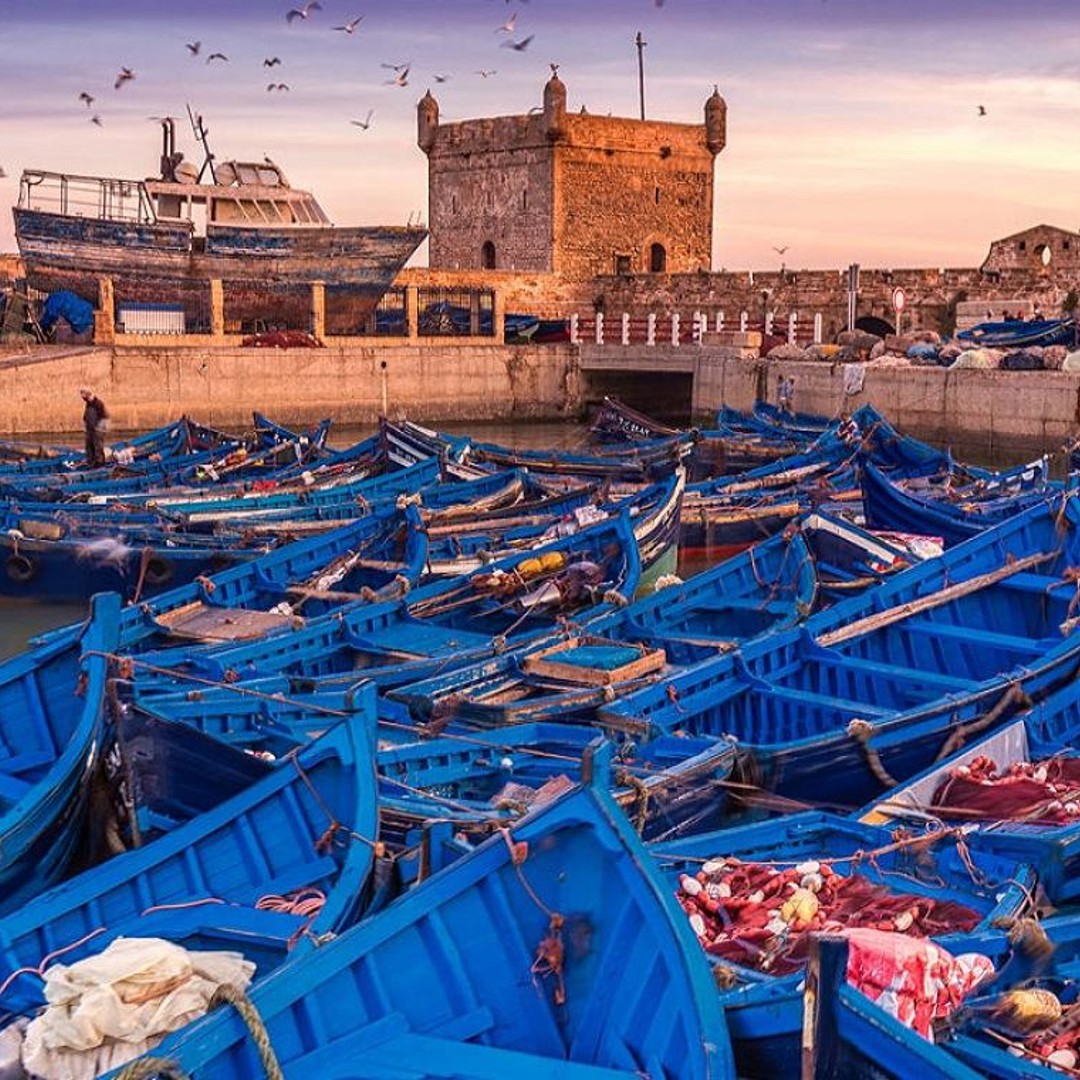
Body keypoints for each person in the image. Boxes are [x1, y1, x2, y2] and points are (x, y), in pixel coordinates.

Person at [79, 387, 109, 468]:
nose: (83, 398)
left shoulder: (98, 403)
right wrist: (85, 427)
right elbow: (86, 417)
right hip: (90, 429)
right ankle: (91, 462)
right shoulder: (88, 404)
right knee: (89, 446)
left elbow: (104, 416)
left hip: (97, 429)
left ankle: (100, 463)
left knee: (98, 446)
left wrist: (100, 429)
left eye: (83, 395)